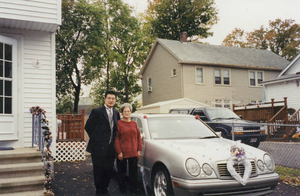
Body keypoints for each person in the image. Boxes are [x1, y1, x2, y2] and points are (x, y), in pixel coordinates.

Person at [85, 91, 120, 196]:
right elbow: (88, 127)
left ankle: (105, 190)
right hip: (98, 148)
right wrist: (97, 140)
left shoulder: (116, 113)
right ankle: (99, 192)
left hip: (110, 149)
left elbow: (115, 130)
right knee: (98, 171)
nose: (111, 100)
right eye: (109, 98)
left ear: (115, 100)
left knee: (108, 171)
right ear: (105, 99)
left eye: (113, 98)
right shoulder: (97, 111)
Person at [114, 103, 142, 195]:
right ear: (122, 113)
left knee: (133, 173)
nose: (127, 113)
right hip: (122, 153)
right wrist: (119, 152)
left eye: (128, 111)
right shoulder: (119, 123)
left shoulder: (134, 123)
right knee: (121, 173)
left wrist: (139, 150)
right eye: (125, 111)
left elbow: (139, 137)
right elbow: (116, 139)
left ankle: (133, 189)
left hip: (133, 152)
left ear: (131, 112)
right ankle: (123, 189)